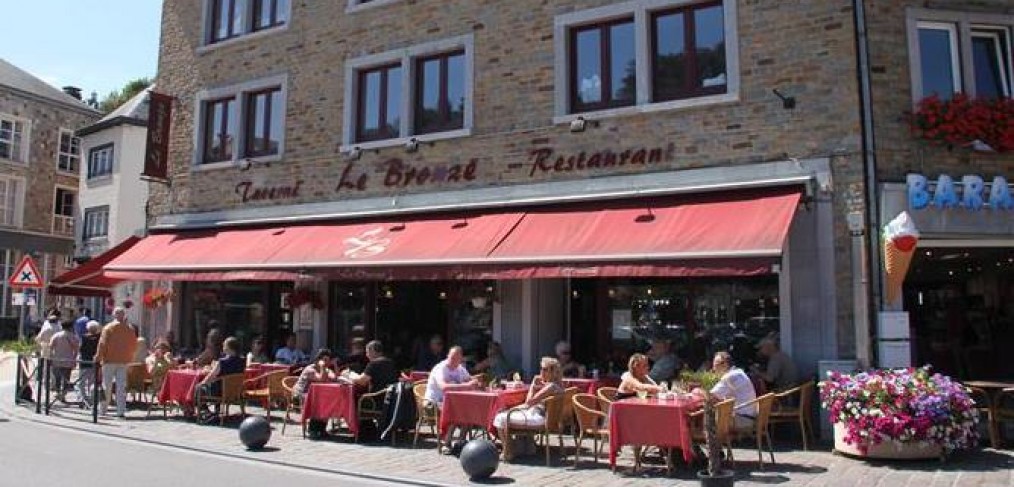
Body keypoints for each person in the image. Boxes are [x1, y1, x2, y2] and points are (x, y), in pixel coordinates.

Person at [493, 357, 564, 429]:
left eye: (545, 369)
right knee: (502, 416)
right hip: (544, 417)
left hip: (539, 418)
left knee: (500, 418)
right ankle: (516, 440)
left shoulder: (550, 387)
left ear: (553, 372)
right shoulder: (557, 385)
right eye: (541, 368)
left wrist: (533, 384)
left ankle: (508, 441)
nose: (541, 372)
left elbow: (528, 403)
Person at [95, 307, 137, 418]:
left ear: (114, 315)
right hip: (124, 361)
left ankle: (103, 408)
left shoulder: (108, 328)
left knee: (106, 386)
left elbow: (102, 344)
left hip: (109, 360)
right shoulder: (130, 329)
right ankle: (121, 410)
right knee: (121, 386)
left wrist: (98, 357)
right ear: (123, 315)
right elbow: (134, 345)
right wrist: (130, 357)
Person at [194, 337, 246, 420]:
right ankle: (217, 411)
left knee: (198, 388)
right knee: (216, 384)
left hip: (219, 392)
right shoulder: (242, 361)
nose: (223, 347)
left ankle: (206, 412)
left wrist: (202, 383)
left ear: (229, 348)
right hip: (235, 391)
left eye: (224, 345)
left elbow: (211, 376)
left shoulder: (222, 362)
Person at [705, 351, 758, 429]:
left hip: (742, 419)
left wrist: (698, 391)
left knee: (709, 414)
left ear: (725, 364)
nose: (713, 369)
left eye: (715, 365)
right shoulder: (739, 372)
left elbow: (711, 396)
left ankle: (713, 441)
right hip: (749, 417)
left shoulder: (730, 376)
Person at [49, 320, 80, 403]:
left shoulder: (56, 335)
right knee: (66, 378)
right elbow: (76, 350)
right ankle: (63, 395)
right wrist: (74, 359)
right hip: (68, 360)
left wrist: (51, 357)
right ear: (70, 327)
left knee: (57, 378)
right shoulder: (73, 336)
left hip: (57, 360)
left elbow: (51, 347)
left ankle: (57, 392)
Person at [77, 321, 102, 407]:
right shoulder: (99, 338)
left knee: (81, 383)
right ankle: (92, 400)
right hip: (95, 362)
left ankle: (83, 399)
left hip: (84, 362)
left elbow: (80, 348)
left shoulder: (84, 337)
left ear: (88, 328)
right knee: (92, 383)